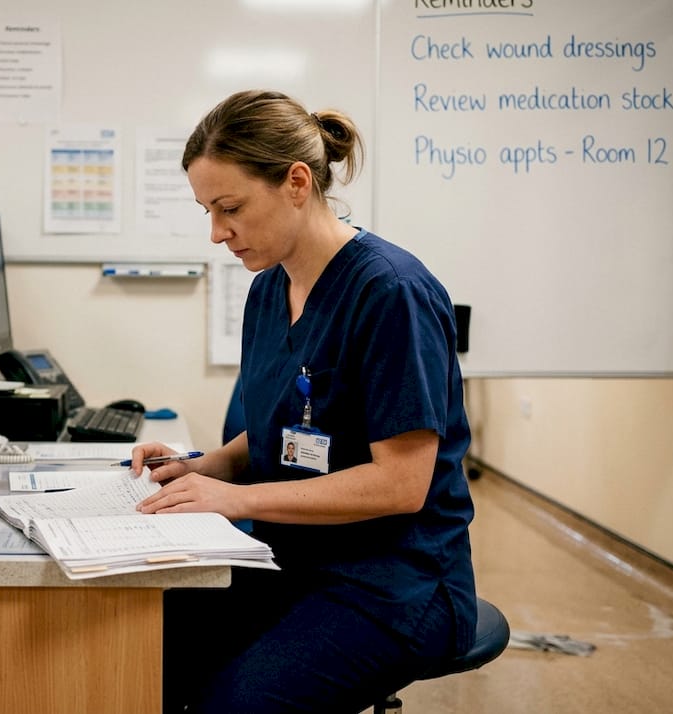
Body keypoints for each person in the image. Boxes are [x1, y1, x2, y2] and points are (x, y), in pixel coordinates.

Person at [128, 89, 477, 714]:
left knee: (232, 704)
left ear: (296, 182)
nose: (216, 234)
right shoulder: (268, 292)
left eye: (229, 208)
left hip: (395, 584)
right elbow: (282, 429)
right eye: (207, 210)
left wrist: (236, 499)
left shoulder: (391, 293)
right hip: (290, 558)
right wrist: (201, 467)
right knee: (138, 653)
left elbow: (401, 484)